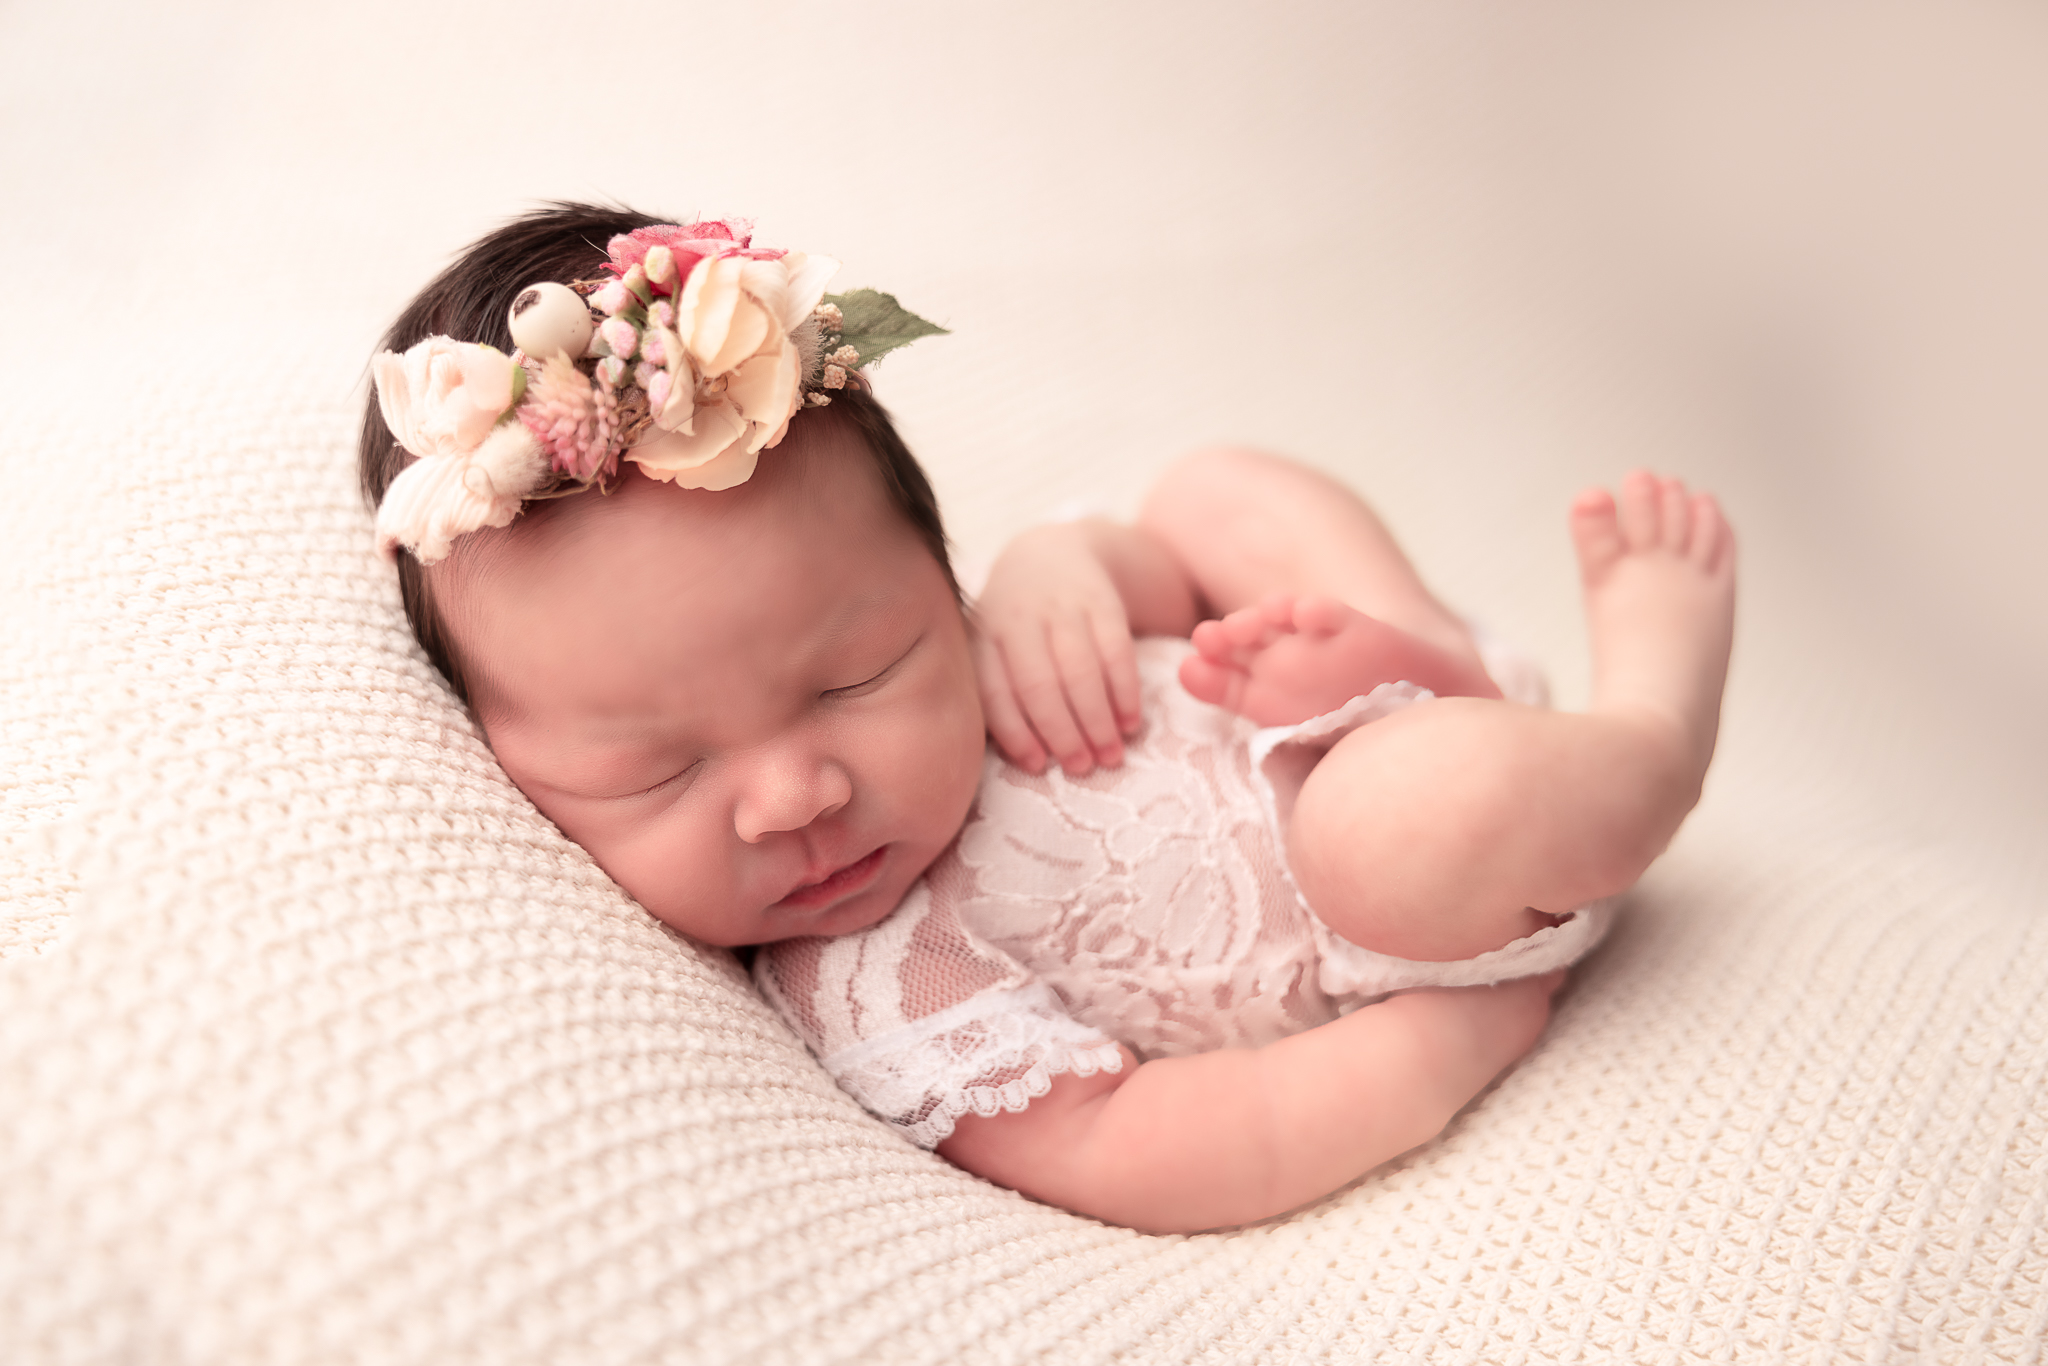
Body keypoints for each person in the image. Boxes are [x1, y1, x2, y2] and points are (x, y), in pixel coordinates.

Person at [360, 203, 1736, 1234]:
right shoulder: (882, 979)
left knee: (1204, 491)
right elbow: (1143, 1144)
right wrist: (1440, 1049)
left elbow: (1161, 573)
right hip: (1403, 900)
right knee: (1384, 821)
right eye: (655, 768)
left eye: (858, 675)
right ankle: (1655, 725)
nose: (797, 792)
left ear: (931, 577)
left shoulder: (987, 635)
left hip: (1356, 701)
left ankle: (1420, 642)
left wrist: (1063, 573)